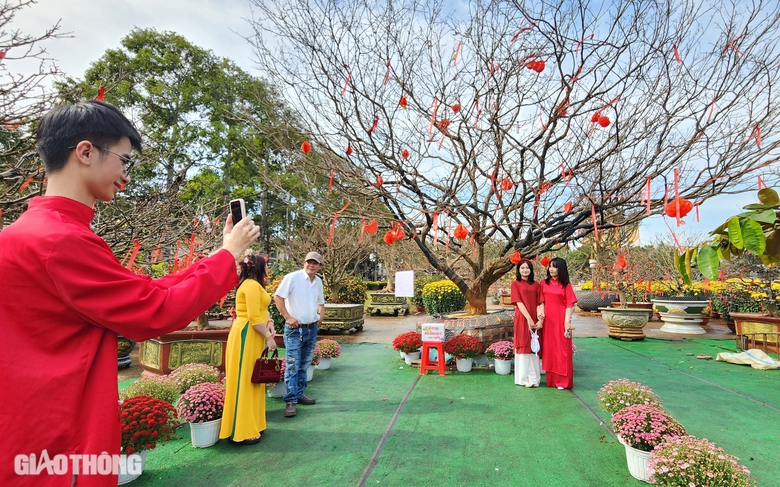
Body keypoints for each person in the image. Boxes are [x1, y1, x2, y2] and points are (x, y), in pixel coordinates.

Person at [0, 100, 259, 486]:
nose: (125, 174)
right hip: (61, 440)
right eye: (124, 160)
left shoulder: (33, 231)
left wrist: (217, 258)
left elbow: (141, 292)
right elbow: (153, 311)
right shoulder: (62, 241)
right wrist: (227, 257)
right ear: (85, 152)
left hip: (31, 430)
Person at [220, 253, 277, 445]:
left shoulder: (255, 286)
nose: (267, 269)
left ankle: (253, 423)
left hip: (253, 335)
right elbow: (253, 318)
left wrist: (269, 322)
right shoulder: (251, 286)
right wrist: (269, 338)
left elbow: (262, 309)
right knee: (245, 380)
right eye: (266, 265)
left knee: (253, 380)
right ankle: (242, 430)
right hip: (247, 334)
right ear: (258, 267)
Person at [273, 251, 325, 418]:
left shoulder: (318, 282)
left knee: (305, 363)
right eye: (309, 262)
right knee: (293, 364)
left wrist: (320, 318)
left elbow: (321, 302)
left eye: (315, 263)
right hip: (295, 329)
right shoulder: (292, 278)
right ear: (304, 263)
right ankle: (290, 400)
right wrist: (288, 317)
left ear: (319, 266)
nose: (311, 265)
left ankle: (299, 394)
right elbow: (278, 297)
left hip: (311, 328)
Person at [540, 257, 578, 390]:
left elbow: (569, 304)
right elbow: (540, 301)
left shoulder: (566, 285)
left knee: (562, 350)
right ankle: (551, 380)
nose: (551, 269)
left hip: (561, 320)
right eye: (550, 266)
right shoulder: (544, 283)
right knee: (550, 349)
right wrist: (540, 316)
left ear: (560, 268)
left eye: (554, 266)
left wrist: (567, 321)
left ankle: (563, 381)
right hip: (547, 321)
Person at [510, 259, 545, 387]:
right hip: (522, 317)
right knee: (523, 345)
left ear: (531, 270)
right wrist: (529, 319)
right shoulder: (515, 284)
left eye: (527, 268)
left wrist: (540, 319)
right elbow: (518, 302)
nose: (525, 270)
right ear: (518, 270)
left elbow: (539, 303)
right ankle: (523, 379)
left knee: (534, 347)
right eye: (522, 268)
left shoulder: (536, 285)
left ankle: (534, 379)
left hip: (535, 319)